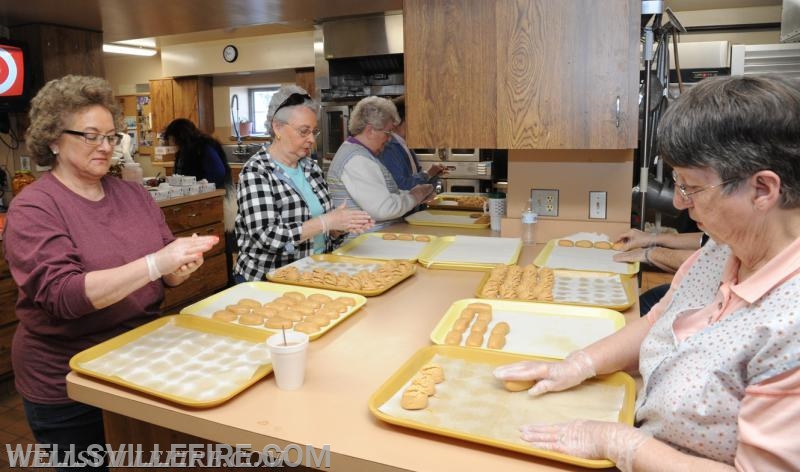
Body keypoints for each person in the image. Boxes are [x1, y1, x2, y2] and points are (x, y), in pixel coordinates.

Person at [494, 75, 800, 470]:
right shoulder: (725, 249)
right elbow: (660, 320)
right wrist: (579, 364)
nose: (678, 201)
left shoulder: (789, 324)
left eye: (690, 187)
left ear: (762, 190)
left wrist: (619, 443)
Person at [2, 75, 219, 470]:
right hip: (70, 384)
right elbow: (63, 296)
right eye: (90, 136)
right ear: (52, 138)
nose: (105, 147)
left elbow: (162, 271)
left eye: (111, 136)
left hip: (139, 363)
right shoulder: (34, 207)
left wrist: (176, 271)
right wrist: (157, 263)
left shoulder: (132, 194)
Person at [234, 85, 374, 282]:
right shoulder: (256, 172)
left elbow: (323, 229)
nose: (311, 139)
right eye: (303, 131)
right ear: (277, 127)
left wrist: (340, 226)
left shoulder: (311, 168)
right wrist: (326, 222)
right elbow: (267, 238)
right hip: (268, 280)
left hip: (314, 272)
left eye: (313, 132)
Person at [327, 96, 434, 231]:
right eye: (388, 132)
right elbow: (384, 209)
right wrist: (415, 196)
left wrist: (411, 192)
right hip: (363, 245)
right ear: (371, 130)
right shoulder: (357, 160)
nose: (389, 139)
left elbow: (382, 193)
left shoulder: (362, 154)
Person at [163, 118, 237, 284]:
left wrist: (201, 186)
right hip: (201, 201)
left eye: (172, 139)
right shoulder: (187, 148)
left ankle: (225, 281)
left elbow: (217, 172)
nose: (172, 143)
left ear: (179, 136)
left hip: (216, 201)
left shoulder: (203, 146)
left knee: (220, 243)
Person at [613, 228, 707, 314]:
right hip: (698, 290)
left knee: (633, 311)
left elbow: (702, 263)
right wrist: (651, 238)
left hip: (708, 303)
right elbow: (705, 239)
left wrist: (648, 253)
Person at [380, 96, 446, 191]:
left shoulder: (407, 145)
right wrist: (429, 173)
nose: (420, 125)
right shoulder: (388, 148)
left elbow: (417, 181)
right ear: (398, 121)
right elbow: (401, 186)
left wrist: (434, 175)